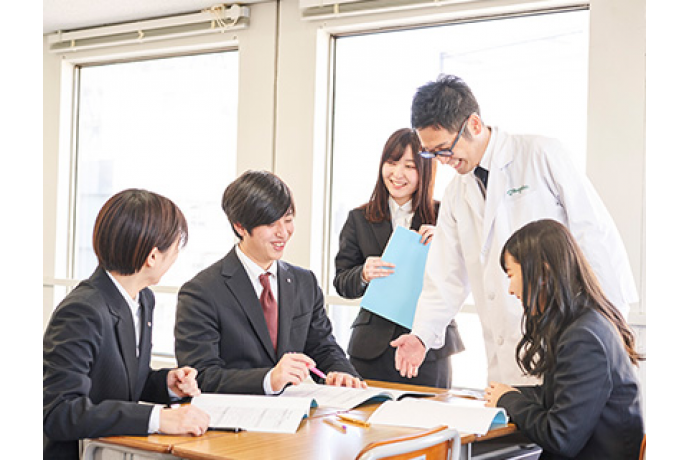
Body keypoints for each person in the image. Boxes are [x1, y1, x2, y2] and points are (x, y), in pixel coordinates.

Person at [392, 75, 638, 385]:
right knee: (516, 426)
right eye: (431, 154)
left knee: (564, 426)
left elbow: (594, 235)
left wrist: (613, 319)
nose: (441, 162)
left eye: (444, 148)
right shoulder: (457, 194)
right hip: (506, 351)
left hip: (565, 333)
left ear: (475, 125)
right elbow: (445, 275)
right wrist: (422, 335)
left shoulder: (540, 154)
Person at [43, 189, 210, 460]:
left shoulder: (142, 299)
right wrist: (158, 418)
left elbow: (122, 383)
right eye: (175, 248)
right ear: (153, 257)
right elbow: (59, 412)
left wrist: (167, 384)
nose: (176, 257)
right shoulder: (82, 311)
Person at [175, 170, 365, 395]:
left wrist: (341, 373)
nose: (283, 233)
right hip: (232, 422)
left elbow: (322, 347)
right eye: (271, 224)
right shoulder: (201, 292)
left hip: (295, 417)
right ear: (240, 226)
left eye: (288, 220)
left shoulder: (304, 282)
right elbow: (202, 375)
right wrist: (268, 380)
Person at [484, 219, 644, 459]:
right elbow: (564, 395)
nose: (510, 289)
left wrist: (509, 400)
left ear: (543, 273)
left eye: (511, 275)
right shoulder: (587, 320)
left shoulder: (583, 337)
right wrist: (508, 393)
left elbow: (561, 437)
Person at [334, 128, 463, 388]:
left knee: (430, 423)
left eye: (409, 166)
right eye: (391, 163)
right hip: (371, 349)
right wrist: (363, 274)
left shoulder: (445, 216)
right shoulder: (359, 219)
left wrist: (445, 242)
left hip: (429, 349)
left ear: (425, 171)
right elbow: (341, 283)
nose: (397, 174)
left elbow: (465, 273)